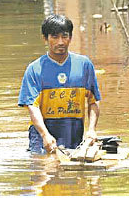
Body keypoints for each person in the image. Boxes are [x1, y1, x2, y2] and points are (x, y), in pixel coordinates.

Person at [18, 14, 101, 154]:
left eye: (64, 36)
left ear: (70, 37)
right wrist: (45, 135)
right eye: (55, 37)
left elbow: (93, 101)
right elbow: (32, 106)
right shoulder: (34, 69)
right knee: (44, 169)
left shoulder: (84, 65)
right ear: (45, 38)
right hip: (42, 135)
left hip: (73, 131)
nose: (61, 42)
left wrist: (91, 129)